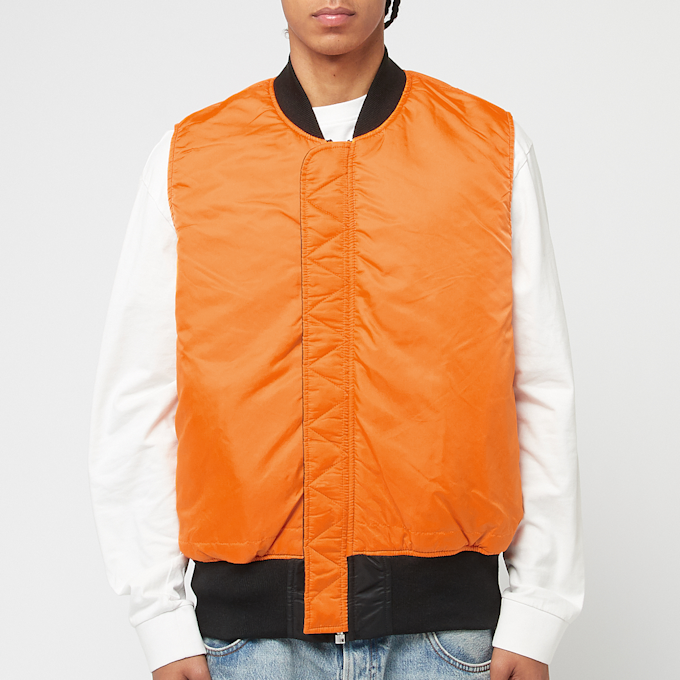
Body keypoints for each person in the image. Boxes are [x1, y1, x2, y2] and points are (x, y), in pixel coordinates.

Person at [88, 1, 585, 679]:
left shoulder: (489, 147)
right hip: (245, 647)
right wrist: (160, 619)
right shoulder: (193, 156)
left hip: (447, 642)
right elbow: (138, 395)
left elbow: (541, 387)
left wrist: (539, 610)